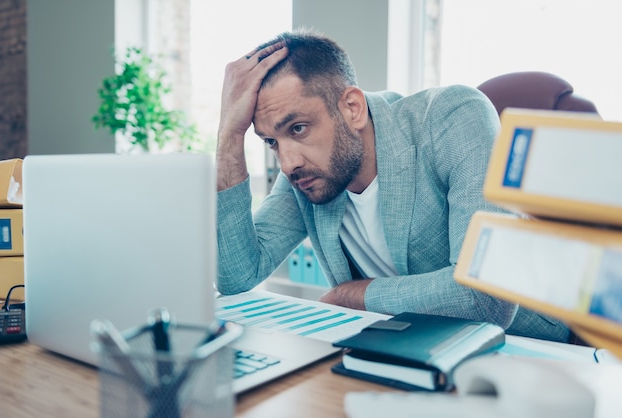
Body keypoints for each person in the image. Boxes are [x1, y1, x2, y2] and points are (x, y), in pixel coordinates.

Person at [215, 30, 571, 343]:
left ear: (352, 108)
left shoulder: (453, 117)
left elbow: (487, 296)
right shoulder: (308, 172)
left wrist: (351, 296)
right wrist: (229, 135)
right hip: (403, 346)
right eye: (270, 142)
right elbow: (238, 277)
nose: (287, 162)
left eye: (297, 128)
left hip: (529, 350)